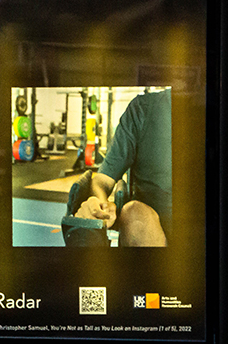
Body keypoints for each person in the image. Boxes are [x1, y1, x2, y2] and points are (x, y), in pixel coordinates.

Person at [71, 89, 171, 247]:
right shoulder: (143, 108)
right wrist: (100, 206)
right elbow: (101, 181)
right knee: (134, 212)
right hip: (152, 233)